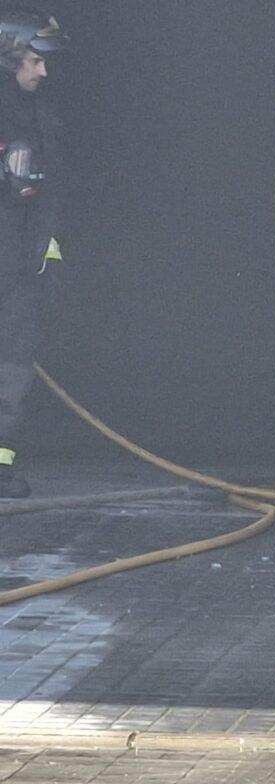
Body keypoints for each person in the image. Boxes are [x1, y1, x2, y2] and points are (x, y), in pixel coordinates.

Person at [0, 12, 69, 498]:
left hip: (24, 262)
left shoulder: (43, 115)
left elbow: (51, 191)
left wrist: (46, 246)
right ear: (8, 59)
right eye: (35, 61)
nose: (43, 72)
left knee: (15, 360)